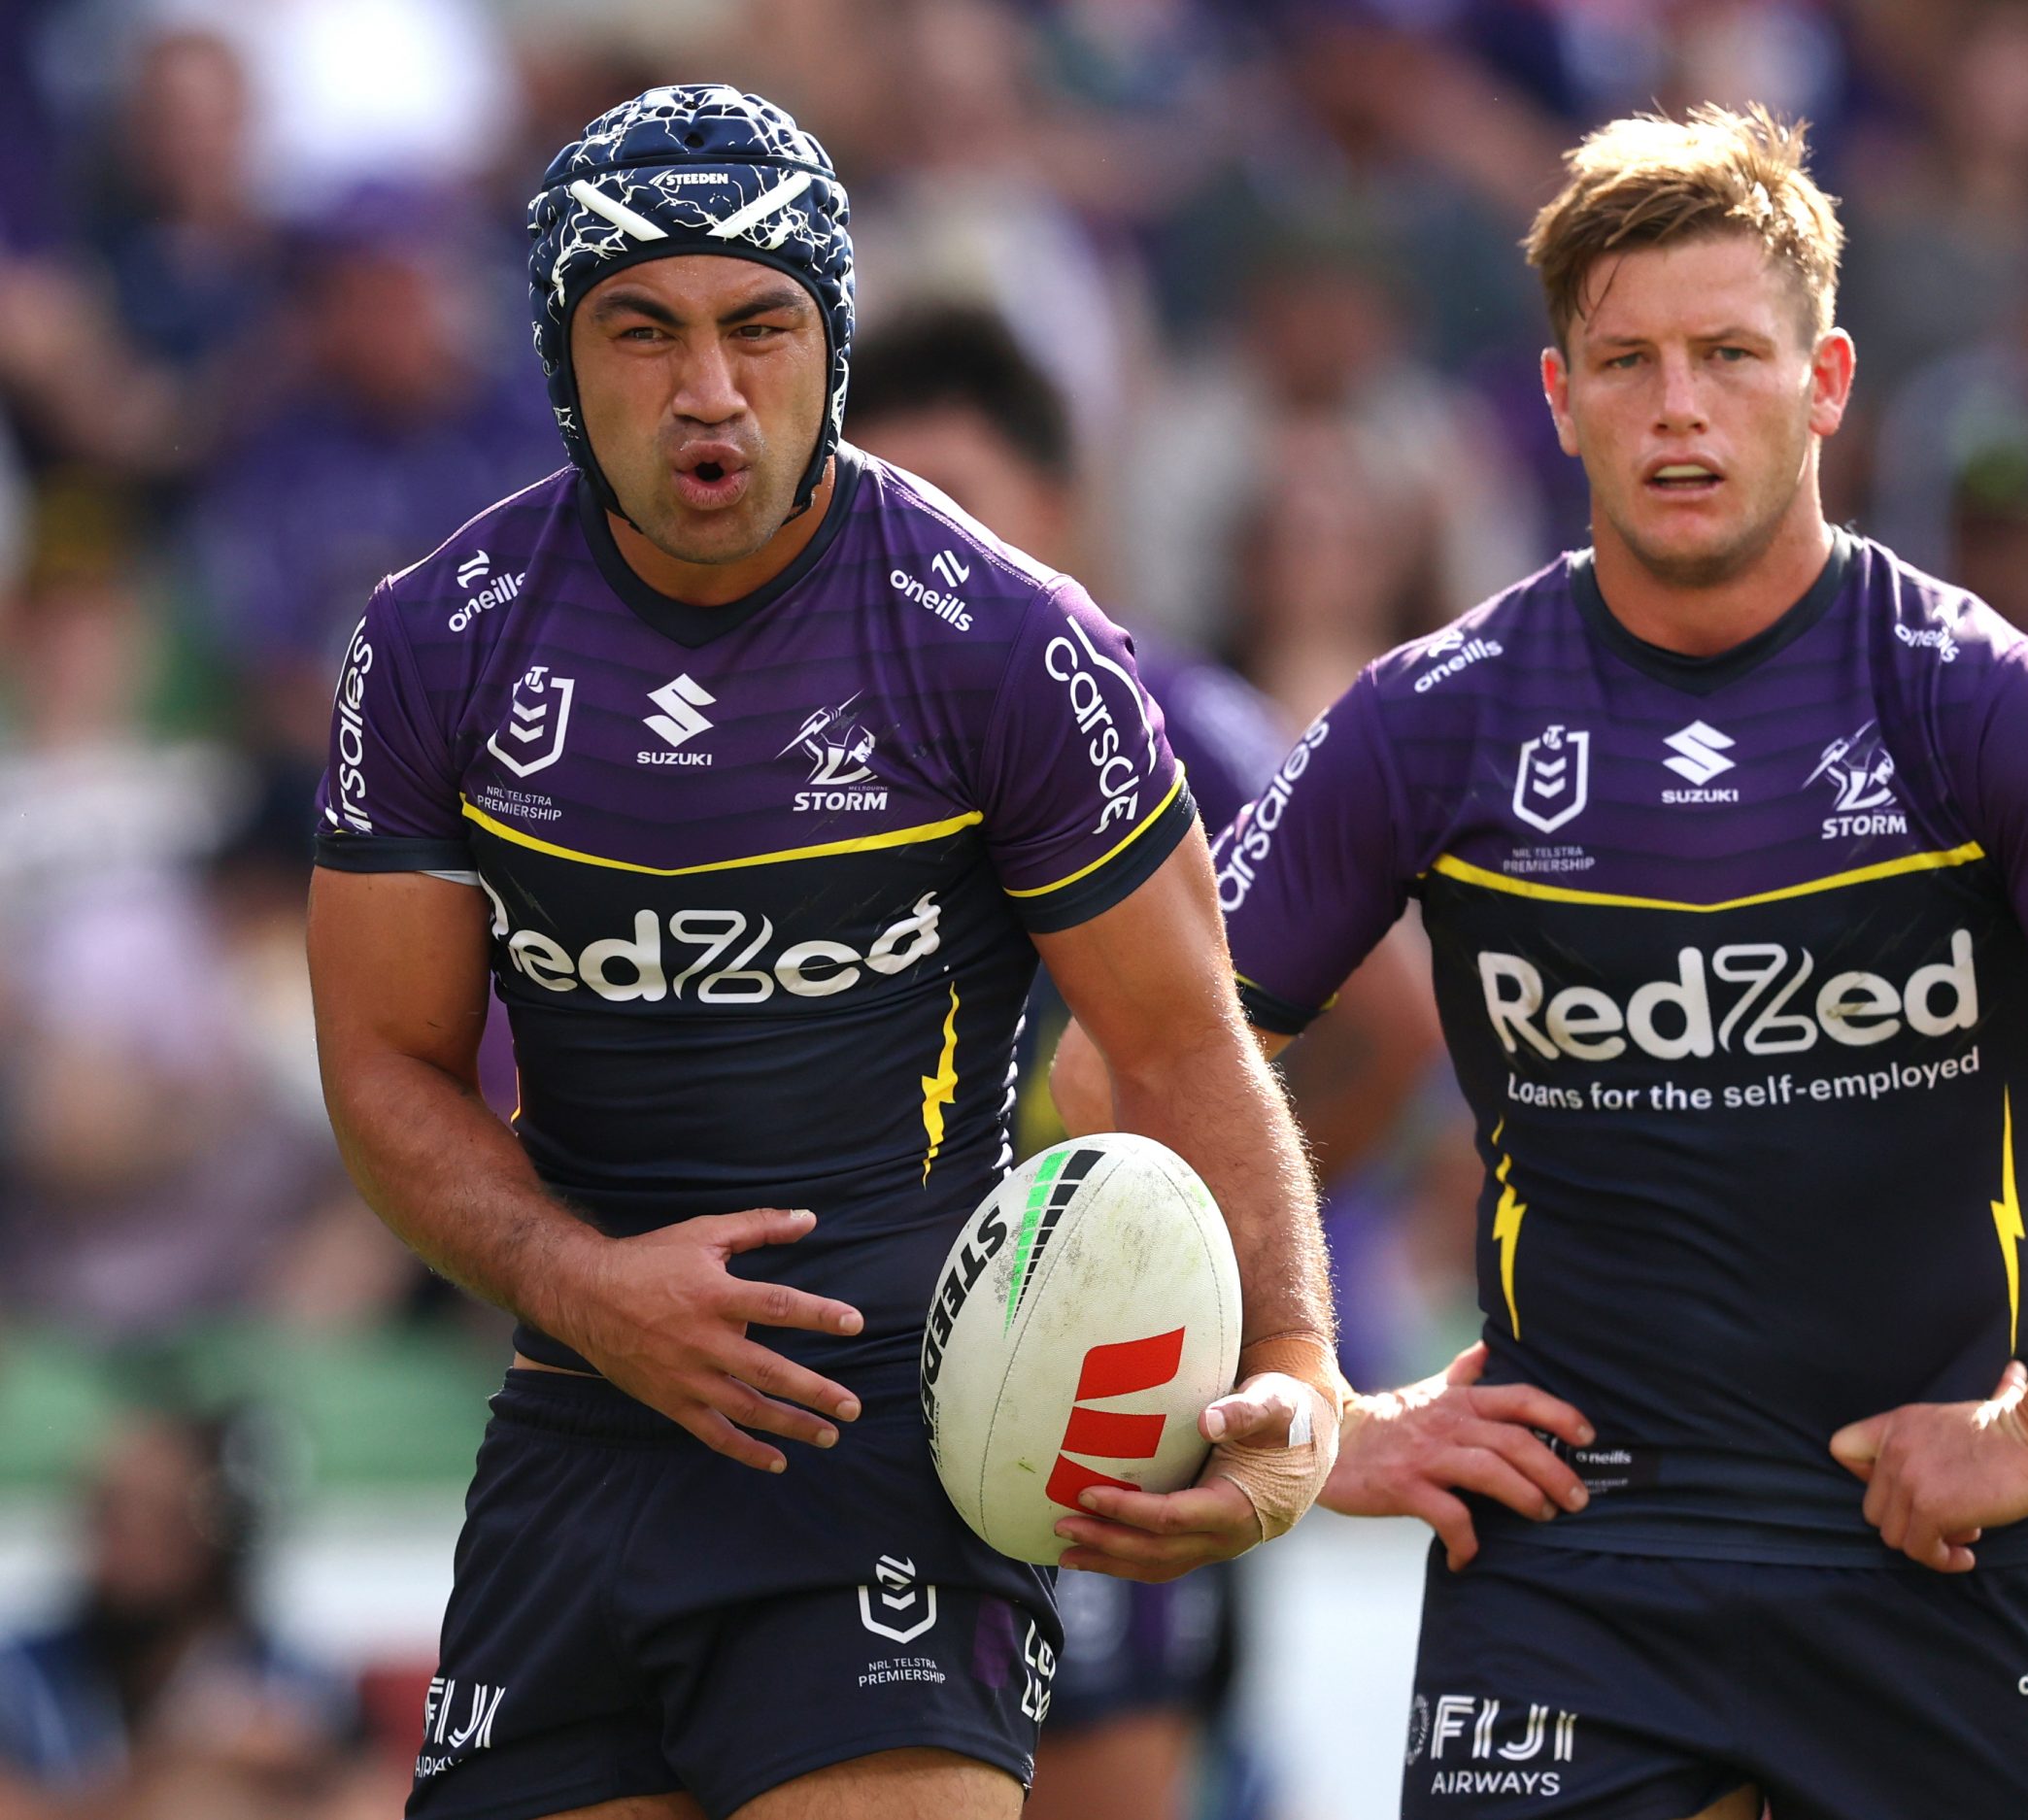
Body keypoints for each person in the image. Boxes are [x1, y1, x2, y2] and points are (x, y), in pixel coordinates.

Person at [1056, 104, 2028, 1818]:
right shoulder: (1437, 718)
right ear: (1559, 396)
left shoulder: (1975, 697)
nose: (1680, 408)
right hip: (1567, 1571)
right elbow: (1117, 1061)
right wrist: (1318, 1397)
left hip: (1918, 1542)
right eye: (1627, 361)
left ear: (1828, 379)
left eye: (1730, 353)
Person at [303, 85, 1341, 1820]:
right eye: (644, 330)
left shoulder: (1009, 646)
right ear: (564, 362)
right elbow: (381, 1070)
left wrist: (1297, 1359)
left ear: (833, 346)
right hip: (576, 1437)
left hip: (893, 1454)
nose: (709, 388)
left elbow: (1184, 1049)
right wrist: (584, 1287)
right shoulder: (434, 646)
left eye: (758, 326)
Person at [840, 300, 1434, 1820]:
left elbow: (1388, 1012)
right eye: (879, 509)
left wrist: (1200, 1277)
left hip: (1093, 1382)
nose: (918, 553)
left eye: (958, 506)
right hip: (862, 1376)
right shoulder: (803, 743)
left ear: (1058, 512)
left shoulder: (1165, 725)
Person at [0, 1410, 357, 1820]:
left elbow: (370, 1799)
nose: (121, 1540)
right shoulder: (21, 1678)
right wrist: (166, 1770)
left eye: (152, 1514)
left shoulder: (288, 1679)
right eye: (106, 1512)